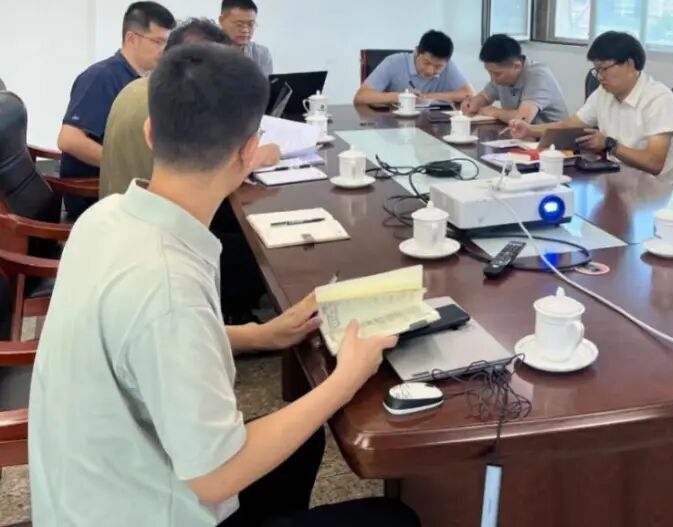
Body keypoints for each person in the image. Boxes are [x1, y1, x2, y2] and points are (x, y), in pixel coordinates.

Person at [29, 42, 418, 527]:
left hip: (90, 490)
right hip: (144, 508)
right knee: (392, 518)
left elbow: (135, 339)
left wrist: (261, 334)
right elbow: (215, 478)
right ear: (249, 152)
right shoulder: (168, 287)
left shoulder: (103, 218)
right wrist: (347, 378)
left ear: (150, 132)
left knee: (300, 446)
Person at [99, 18, 281, 199]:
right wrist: (261, 155)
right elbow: (214, 173)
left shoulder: (135, 88)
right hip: (164, 209)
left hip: (122, 204)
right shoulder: (178, 105)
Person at [507, 31, 673, 187]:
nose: (600, 77)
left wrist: (609, 144)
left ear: (630, 64)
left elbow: (654, 163)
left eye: (604, 69)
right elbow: (568, 125)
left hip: (658, 193)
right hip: (617, 179)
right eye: (596, 71)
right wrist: (529, 130)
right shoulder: (604, 93)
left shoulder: (658, 99)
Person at [58, 0, 176, 216]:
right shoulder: (102, 78)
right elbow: (69, 139)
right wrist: (123, 165)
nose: (164, 50)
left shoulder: (144, 79)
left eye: (167, 42)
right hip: (97, 193)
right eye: (158, 42)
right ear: (131, 38)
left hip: (129, 185)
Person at [461, 34, 568, 124]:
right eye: (489, 72)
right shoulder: (500, 76)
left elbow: (522, 119)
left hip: (551, 140)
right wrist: (474, 104)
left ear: (517, 66)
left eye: (496, 74)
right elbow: (485, 96)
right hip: (523, 137)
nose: (493, 79)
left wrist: (495, 112)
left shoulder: (539, 76)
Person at [353, 30, 474, 105]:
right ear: (416, 52)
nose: (430, 71)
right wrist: (402, 97)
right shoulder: (393, 62)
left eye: (438, 66)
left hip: (432, 126)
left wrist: (427, 97)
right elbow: (361, 96)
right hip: (394, 126)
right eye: (426, 63)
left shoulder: (449, 66)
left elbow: (469, 94)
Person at [220, 0, 273, 76]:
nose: (245, 30)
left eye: (250, 24)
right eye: (239, 24)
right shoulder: (206, 52)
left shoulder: (261, 54)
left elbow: (266, 84)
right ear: (221, 20)